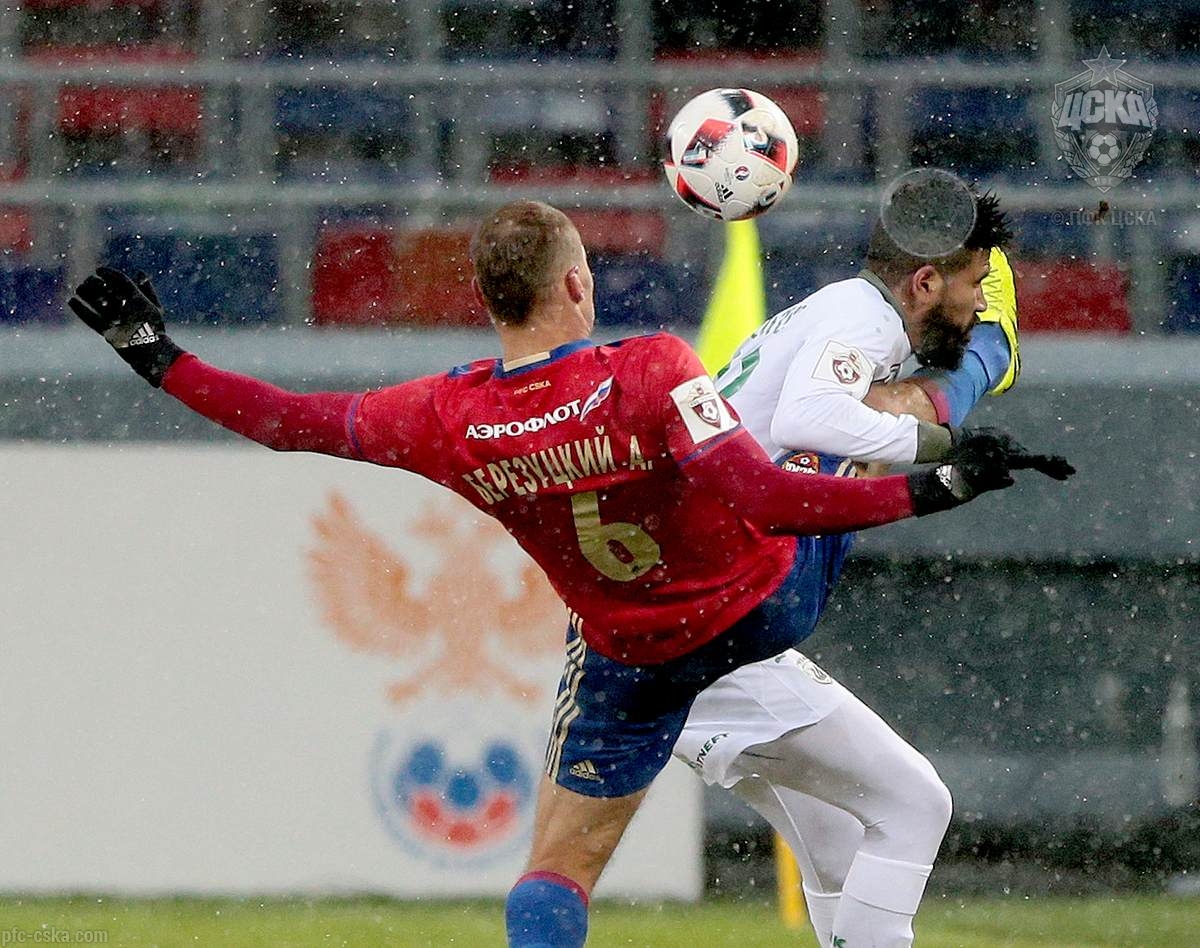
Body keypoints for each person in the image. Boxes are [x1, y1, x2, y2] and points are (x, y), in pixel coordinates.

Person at [68, 200, 1066, 948]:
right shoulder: (650, 370)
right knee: (833, 440)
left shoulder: (451, 415)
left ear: (490, 301)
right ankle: (981, 359)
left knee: (557, 877)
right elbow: (763, 495)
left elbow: (290, 423)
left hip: (630, 658)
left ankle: (968, 363)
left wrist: (161, 358)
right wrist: (933, 488)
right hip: (755, 609)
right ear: (579, 287)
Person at [674, 183, 1058, 948]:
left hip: (689, 622)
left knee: (842, 842)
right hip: (707, 628)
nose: (981, 302)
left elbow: (861, 417)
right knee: (916, 804)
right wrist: (952, 434)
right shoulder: (860, 318)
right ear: (926, 282)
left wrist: (973, 377)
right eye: (976, 284)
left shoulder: (839, 324)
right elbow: (813, 416)